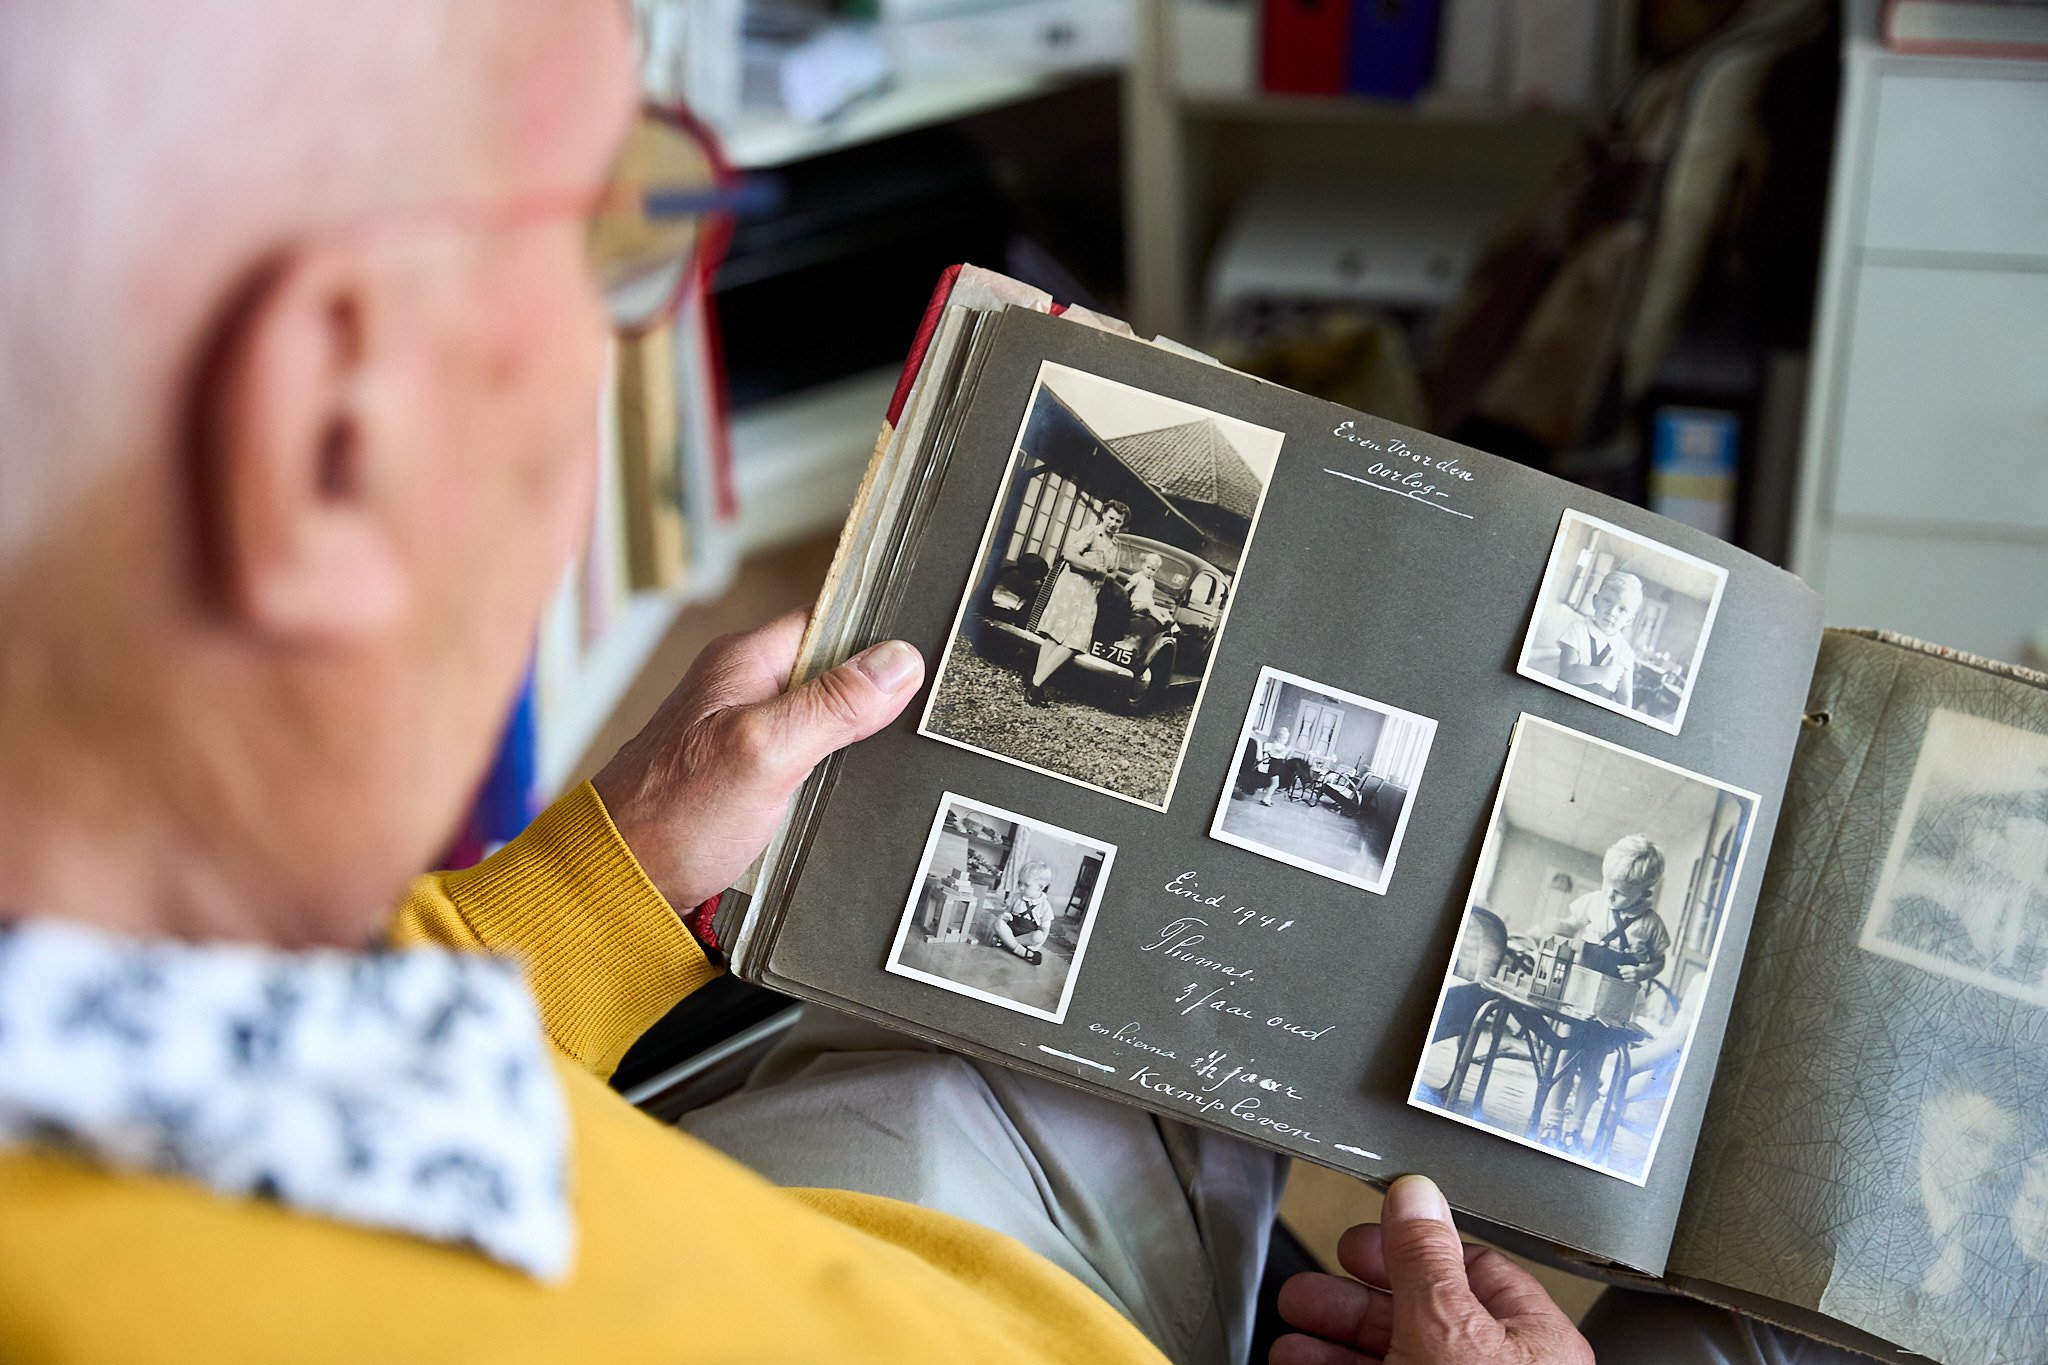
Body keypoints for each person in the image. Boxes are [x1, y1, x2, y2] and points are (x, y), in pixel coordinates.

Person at [0, 5, 1833, 1362]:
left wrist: (598, 886)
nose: (613, 322)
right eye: (611, 232)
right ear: (335, 438)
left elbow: (328, 1069)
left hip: (844, 1194)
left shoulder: (138, 1030)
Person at [1024, 499, 1128, 705]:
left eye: (1118, 521)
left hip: (1091, 593)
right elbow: (1069, 554)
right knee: (1056, 635)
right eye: (1111, 518)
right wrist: (1096, 569)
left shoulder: (1116, 544)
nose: (1113, 524)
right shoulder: (1090, 532)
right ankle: (1036, 686)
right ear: (1103, 515)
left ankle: (1035, 683)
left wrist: (1106, 575)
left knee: (1077, 641)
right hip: (1071, 588)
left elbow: (1113, 572)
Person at [1549, 570, 1643, 709]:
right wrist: (1606, 673)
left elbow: (1625, 700)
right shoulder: (1578, 630)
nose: (1612, 612)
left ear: (1629, 619)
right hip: (1561, 701)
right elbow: (1567, 672)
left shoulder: (1626, 653)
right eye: (1607, 601)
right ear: (1595, 601)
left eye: (1622, 609)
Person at [992, 859, 1058, 965]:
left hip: (1025, 939)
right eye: (1019, 883)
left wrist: (1035, 947)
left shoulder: (1045, 907)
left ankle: (1006, 943)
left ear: (1040, 887)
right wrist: (1005, 916)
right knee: (998, 923)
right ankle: (1022, 951)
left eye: (1026, 885)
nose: (1021, 887)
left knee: (1038, 936)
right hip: (1011, 930)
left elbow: (1045, 932)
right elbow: (1006, 913)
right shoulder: (1015, 897)